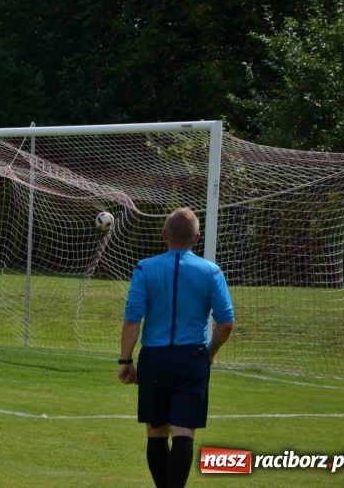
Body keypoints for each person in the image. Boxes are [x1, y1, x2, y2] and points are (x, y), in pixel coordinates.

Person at [118, 207, 234, 488]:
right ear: (197, 238)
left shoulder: (145, 268)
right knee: (184, 433)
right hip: (192, 358)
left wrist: (125, 360)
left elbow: (133, 319)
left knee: (156, 433)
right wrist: (209, 353)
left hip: (155, 359)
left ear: (164, 235)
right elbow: (226, 323)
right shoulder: (211, 271)